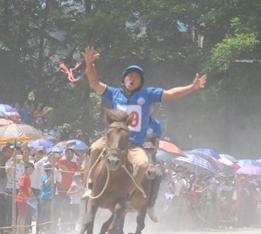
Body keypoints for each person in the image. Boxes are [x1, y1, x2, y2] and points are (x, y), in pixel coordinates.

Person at [81, 46, 207, 202]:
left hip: (134, 145)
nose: (132, 78)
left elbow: (169, 93)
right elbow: (95, 83)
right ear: (124, 79)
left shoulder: (147, 94)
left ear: (140, 82)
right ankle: (89, 186)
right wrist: (89, 64)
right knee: (94, 149)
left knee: (142, 166)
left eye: (136, 76)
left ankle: (127, 195)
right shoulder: (114, 93)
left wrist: (192, 87)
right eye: (129, 75)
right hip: (112, 142)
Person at [15, 163, 34, 234]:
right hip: (21, 199)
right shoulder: (24, 177)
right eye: (29, 169)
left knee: (23, 215)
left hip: (26, 199)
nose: (31, 171)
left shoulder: (28, 178)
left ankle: (20, 232)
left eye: (32, 170)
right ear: (26, 169)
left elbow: (28, 189)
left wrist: (31, 195)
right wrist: (25, 196)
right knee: (21, 215)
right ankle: (19, 232)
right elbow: (20, 188)